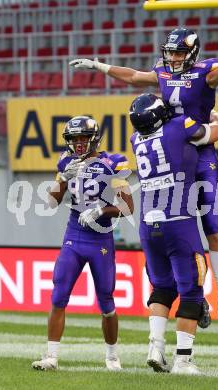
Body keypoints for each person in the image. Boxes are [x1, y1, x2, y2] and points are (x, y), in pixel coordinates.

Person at [70, 28, 218, 326]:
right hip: (171, 149)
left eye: (179, 53)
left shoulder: (206, 72)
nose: (173, 58)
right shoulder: (162, 71)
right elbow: (135, 77)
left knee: (213, 224)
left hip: (200, 148)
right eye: (170, 52)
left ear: (193, 53)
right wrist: (101, 66)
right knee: (178, 224)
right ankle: (197, 299)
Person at [129, 93, 218, 374]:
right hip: (178, 220)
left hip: (148, 224)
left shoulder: (136, 139)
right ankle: (183, 360)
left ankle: (155, 348)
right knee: (192, 291)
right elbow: (216, 132)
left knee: (162, 288)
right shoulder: (177, 127)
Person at [31, 116, 134, 371]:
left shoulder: (113, 162)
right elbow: (52, 201)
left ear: (94, 138)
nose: (78, 144)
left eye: (83, 138)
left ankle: (112, 357)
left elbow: (128, 206)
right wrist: (62, 179)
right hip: (74, 234)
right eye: (74, 139)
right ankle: (51, 357)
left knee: (106, 301)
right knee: (59, 293)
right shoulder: (66, 162)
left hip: (100, 237)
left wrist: (100, 209)